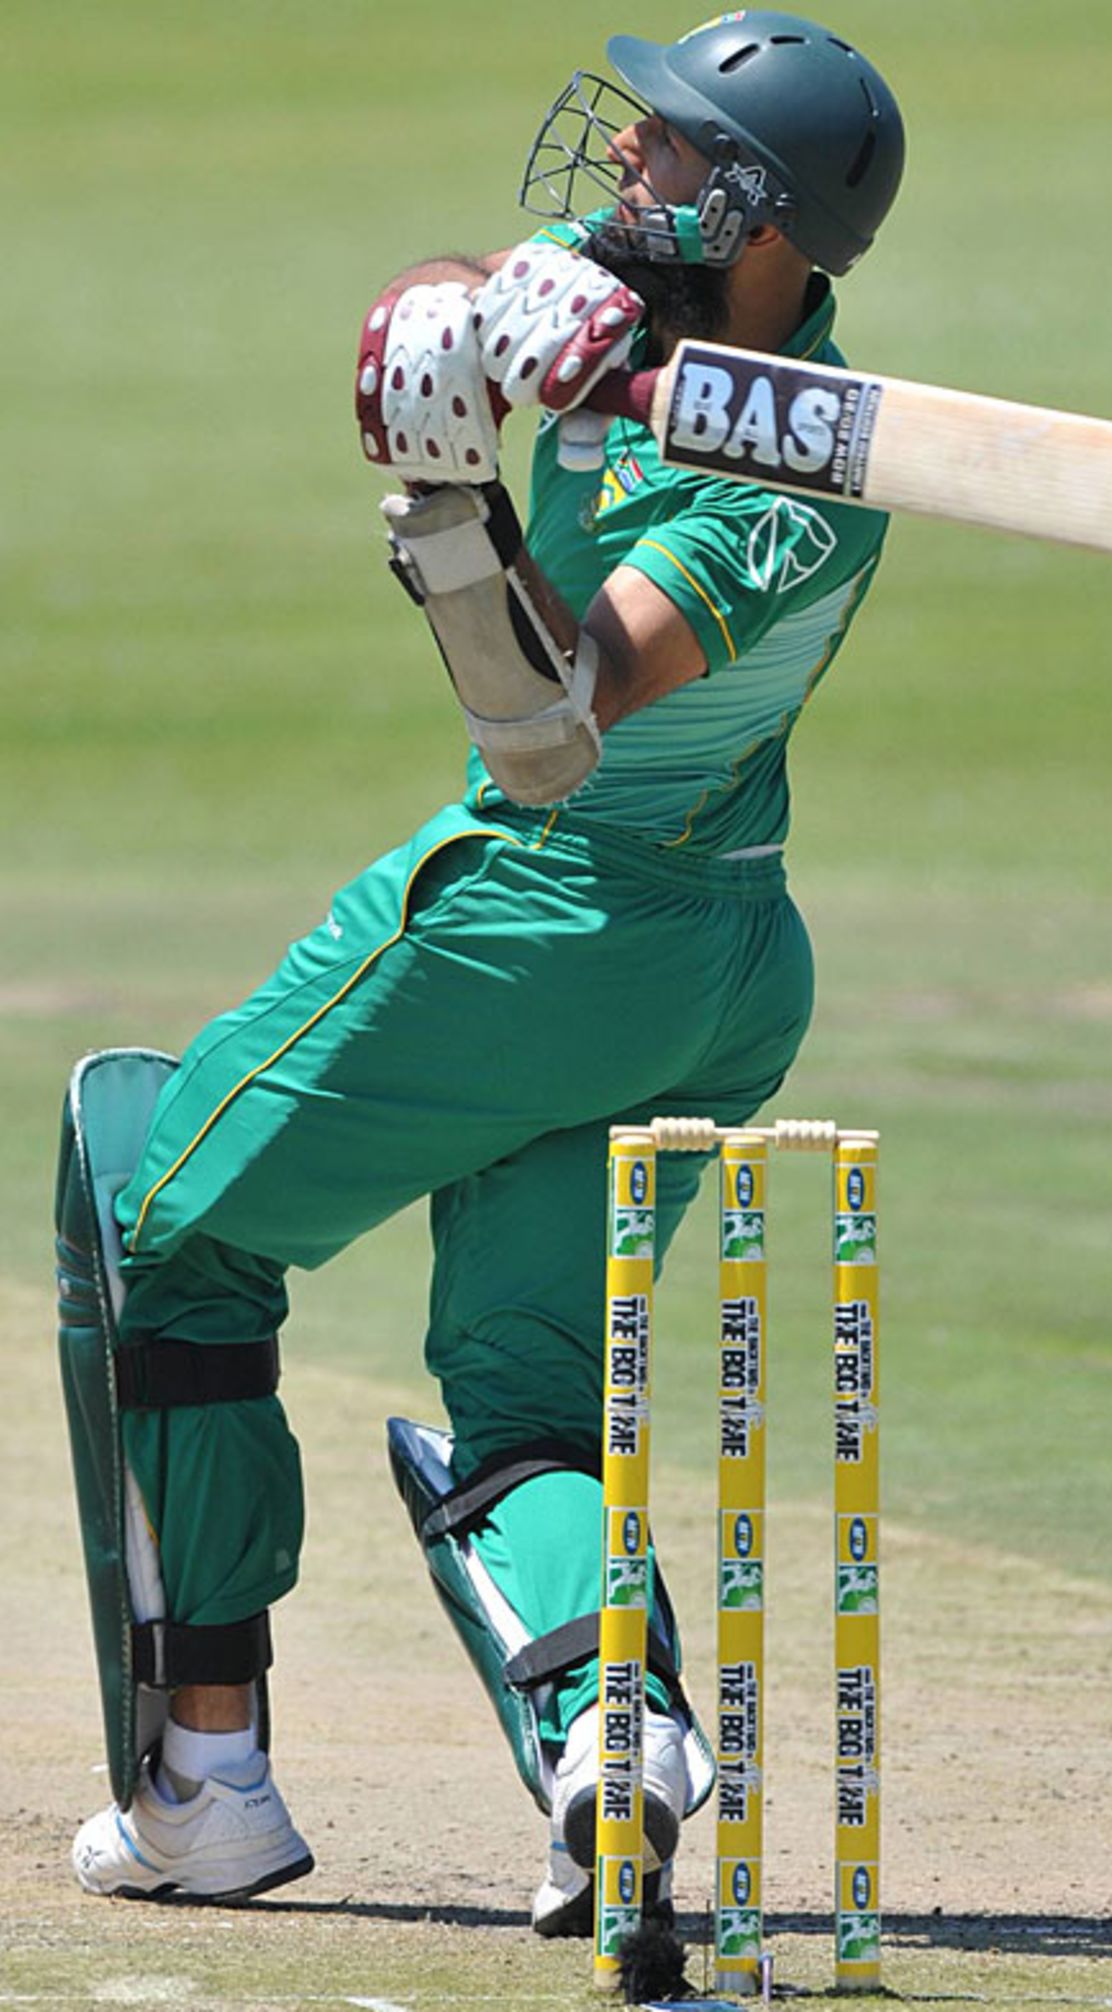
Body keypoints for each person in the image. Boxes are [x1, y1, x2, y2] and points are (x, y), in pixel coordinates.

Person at [59, 8, 904, 1937]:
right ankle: (620, 1737)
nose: (625, 170)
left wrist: (455, 507)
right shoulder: (660, 325)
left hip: (552, 912)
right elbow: (464, 294)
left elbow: (550, 720)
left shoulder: (792, 483)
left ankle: (206, 1782)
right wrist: (473, 308)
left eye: (671, 157)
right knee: (525, 1399)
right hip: (724, 970)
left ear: (761, 215)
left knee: (167, 1217)